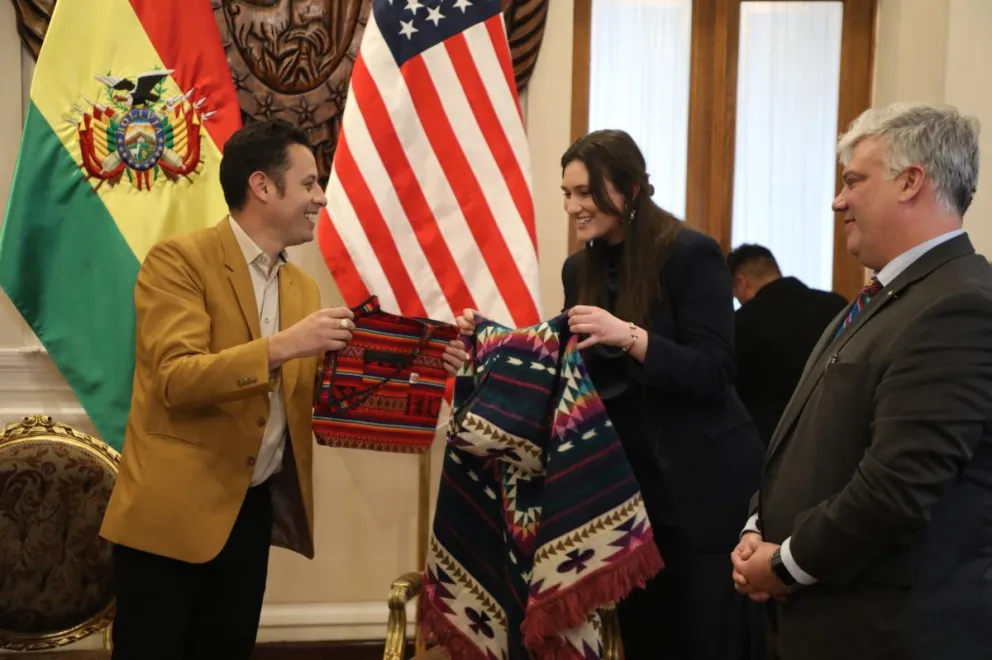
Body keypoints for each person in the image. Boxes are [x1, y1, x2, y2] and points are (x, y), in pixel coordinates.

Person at [99, 120, 468, 659]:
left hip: (251, 515)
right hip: (171, 518)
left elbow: (329, 392)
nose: (322, 198)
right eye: (310, 184)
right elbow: (176, 379)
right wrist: (283, 345)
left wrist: (430, 364)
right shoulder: (179, 261)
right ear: (263, 187)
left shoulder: (302, 286)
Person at [459, 129, 765, 659]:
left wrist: (631, 337)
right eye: (567, 194)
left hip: (702, 487)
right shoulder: (579, 268)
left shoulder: (692, 254)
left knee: (706, 637)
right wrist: (486, 353)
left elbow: (715, 372)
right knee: (646, 635)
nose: (573, 207)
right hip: (626, 490)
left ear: (628, 190)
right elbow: (564, 371)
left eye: (584, 193)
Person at [732, 103, 992, 660]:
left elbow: (897, 486)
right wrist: (759, 524)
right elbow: (809, 438)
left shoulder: (959, 305)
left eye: (853, 181)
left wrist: (785, 564)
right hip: (826, 617)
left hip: (886, 632)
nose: (838, 200)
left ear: (910, 182)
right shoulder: (888, 297)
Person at [727, 244, 847, 445]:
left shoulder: (743, 321)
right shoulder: (836, 305)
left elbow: (734, 393)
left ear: (741, 281)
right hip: (832, 436)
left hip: (768, 444)